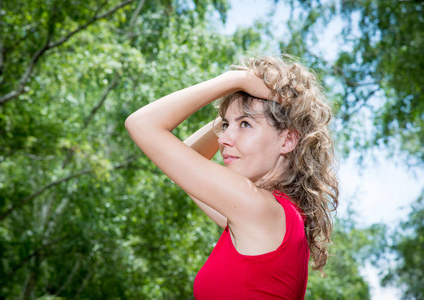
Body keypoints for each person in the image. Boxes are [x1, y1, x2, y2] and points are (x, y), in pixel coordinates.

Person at [125, 55, 339, 299]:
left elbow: (141, 124)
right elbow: (180, 168)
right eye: (225, 126)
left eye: (246, 125)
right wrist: (238, 106)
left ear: (287, 140)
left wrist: (238, 80)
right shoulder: (272, 216)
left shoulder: (255, 207)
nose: (222, 139)